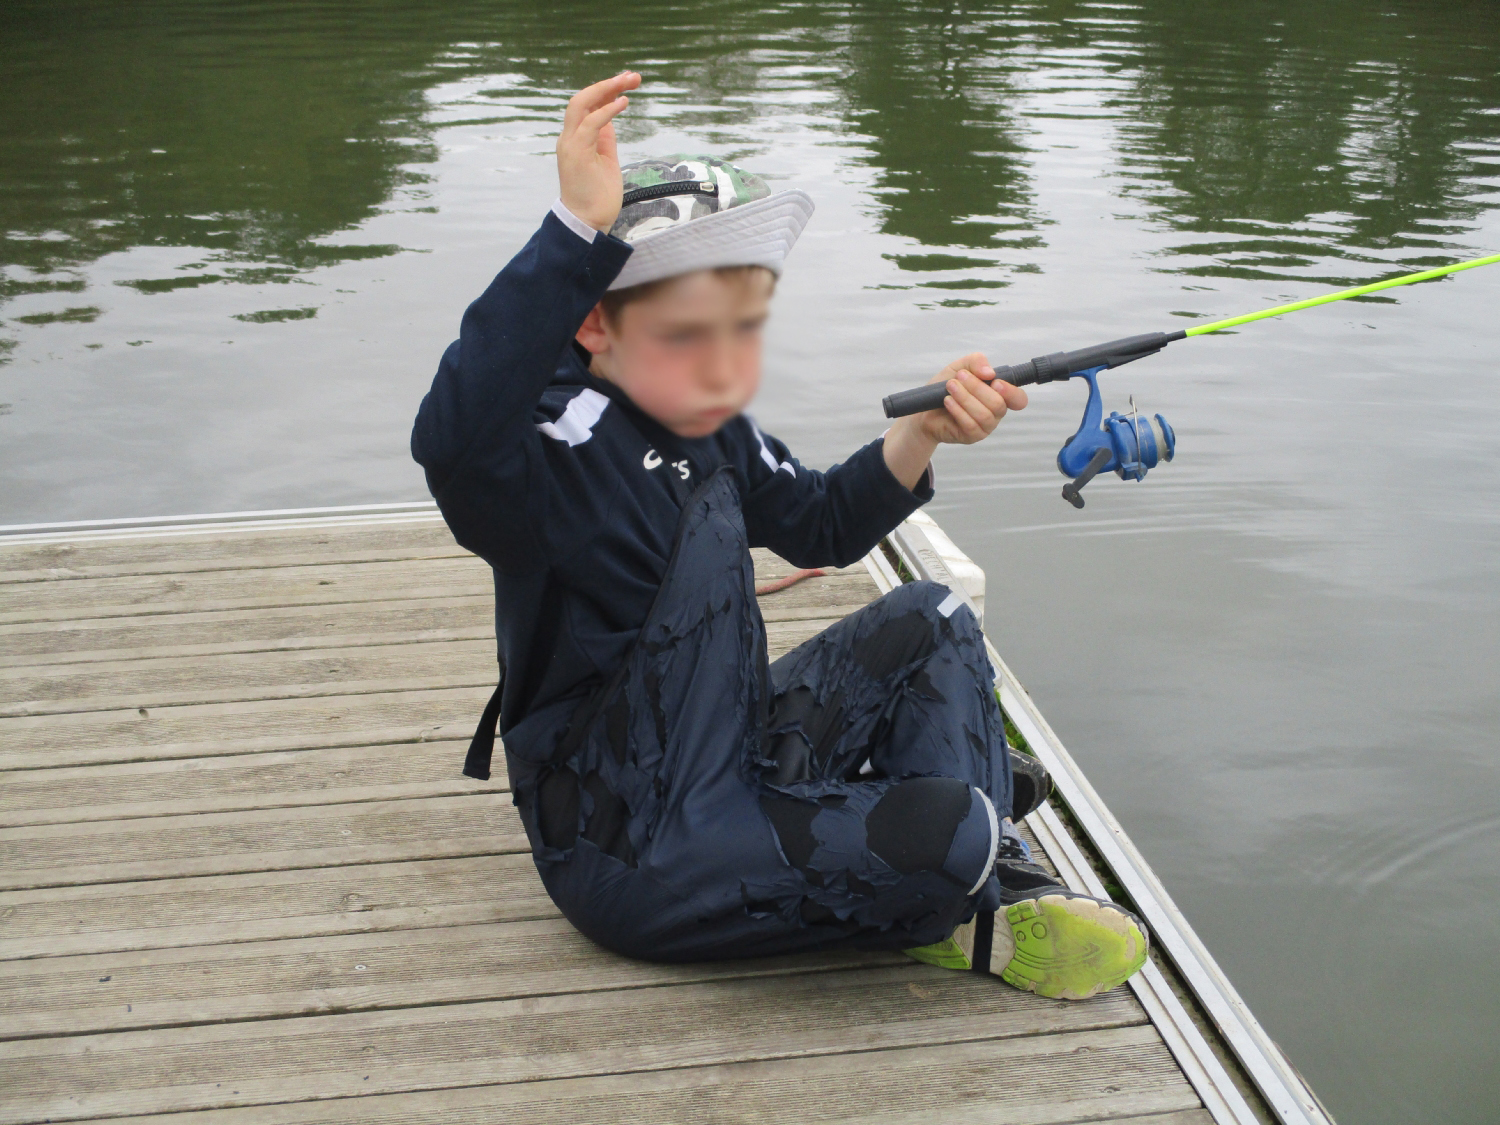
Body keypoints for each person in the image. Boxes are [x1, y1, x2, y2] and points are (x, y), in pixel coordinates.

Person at [411, 71, 1148, 1000]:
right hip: (635, 845)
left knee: (933, 614)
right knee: (954, 822)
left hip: (735, 750)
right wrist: (572, 232)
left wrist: (923, 432)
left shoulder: (704, 420)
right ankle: (969, 883)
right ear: (595, 322)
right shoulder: (548, 451)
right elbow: (451, 439)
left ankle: (957, 841)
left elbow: (822, 521)